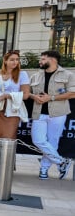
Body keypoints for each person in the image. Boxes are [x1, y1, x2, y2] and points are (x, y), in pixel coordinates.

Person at [29, 50, 75, 179]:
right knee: (38, 140)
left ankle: (44, 169)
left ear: (53, 60)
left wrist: (51, 98)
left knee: (52, 141)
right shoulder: (36, 76)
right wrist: (34, 96)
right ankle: (62, 162)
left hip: (58, 114)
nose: (40, 61)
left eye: (43, 59)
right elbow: (29, 92)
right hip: (39, 113)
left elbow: (73, 93)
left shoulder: (68, 75)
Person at [0, 50, 30, 161]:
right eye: (12, 60)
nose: (15, 62)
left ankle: (6, 163)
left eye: (17, 60)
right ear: (5, 61)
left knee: (9, 137)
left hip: (12, 109)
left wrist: (6, 95)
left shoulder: (22, 75)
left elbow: (25, 95)